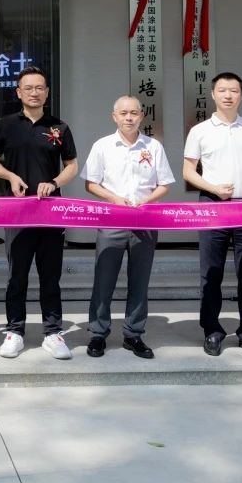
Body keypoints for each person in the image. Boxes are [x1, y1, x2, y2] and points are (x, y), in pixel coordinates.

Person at [0, 66, 79, 360]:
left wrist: (54, 182)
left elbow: (72, 165)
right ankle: (15, 331)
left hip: (51, 213)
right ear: (18, 92)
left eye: (39, 88)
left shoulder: (59, 127)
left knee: (50, 275)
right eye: (28, 88)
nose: (34, 92)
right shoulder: (6, 125)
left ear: (47, 93)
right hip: (18, 213)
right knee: (17, 275)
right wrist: (10, 176)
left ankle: (53, 332)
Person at [182, 71, 242, 359]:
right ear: (213, 94)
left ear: (241, 95)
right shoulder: (200, 130)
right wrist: (214, 189)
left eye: (234, 90)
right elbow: (188, 171)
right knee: (211, 273)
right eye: (222, 90)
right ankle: (212, 329)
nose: (228, 95)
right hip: (213, 205)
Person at [81, 95, 174, 360]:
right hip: (113, 220)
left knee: (140, 280)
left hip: (145, 222)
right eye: (123, 113)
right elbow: (91, 183)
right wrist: (114, 198)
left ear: (142, 116)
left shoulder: (153, 146)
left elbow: (165, 184)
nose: (129, 118)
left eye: (134, 113)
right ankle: (98, 333)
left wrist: (148, 200)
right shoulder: (102, 146)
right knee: (104, 279)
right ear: (114, 117)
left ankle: (133, 334)